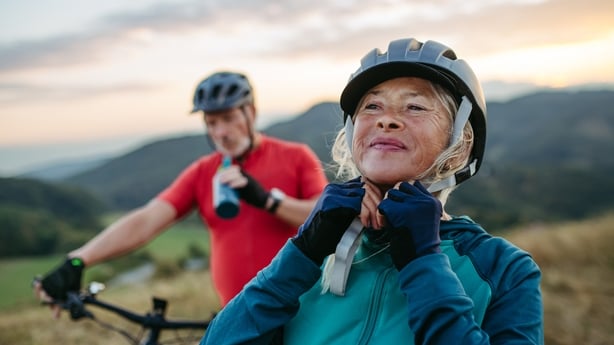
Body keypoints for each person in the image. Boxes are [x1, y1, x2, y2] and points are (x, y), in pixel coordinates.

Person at [199, 38, 544, 344]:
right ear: (352, 133)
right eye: (372, 106)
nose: (386, 120)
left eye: (415, 106)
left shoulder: (504, 268)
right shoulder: (315, 261)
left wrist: (423, 262)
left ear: (459, 141)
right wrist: (304, 250)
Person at [33, 71, 328, 313]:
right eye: (211, 122)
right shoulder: (203, 171)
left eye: (228, 118)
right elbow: (147, 220)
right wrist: (78, 259)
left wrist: (268, 200)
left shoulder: (295, 156)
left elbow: (325, 215)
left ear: (250, 113)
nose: (220, 132)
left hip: (301, 308)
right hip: (237, 315)